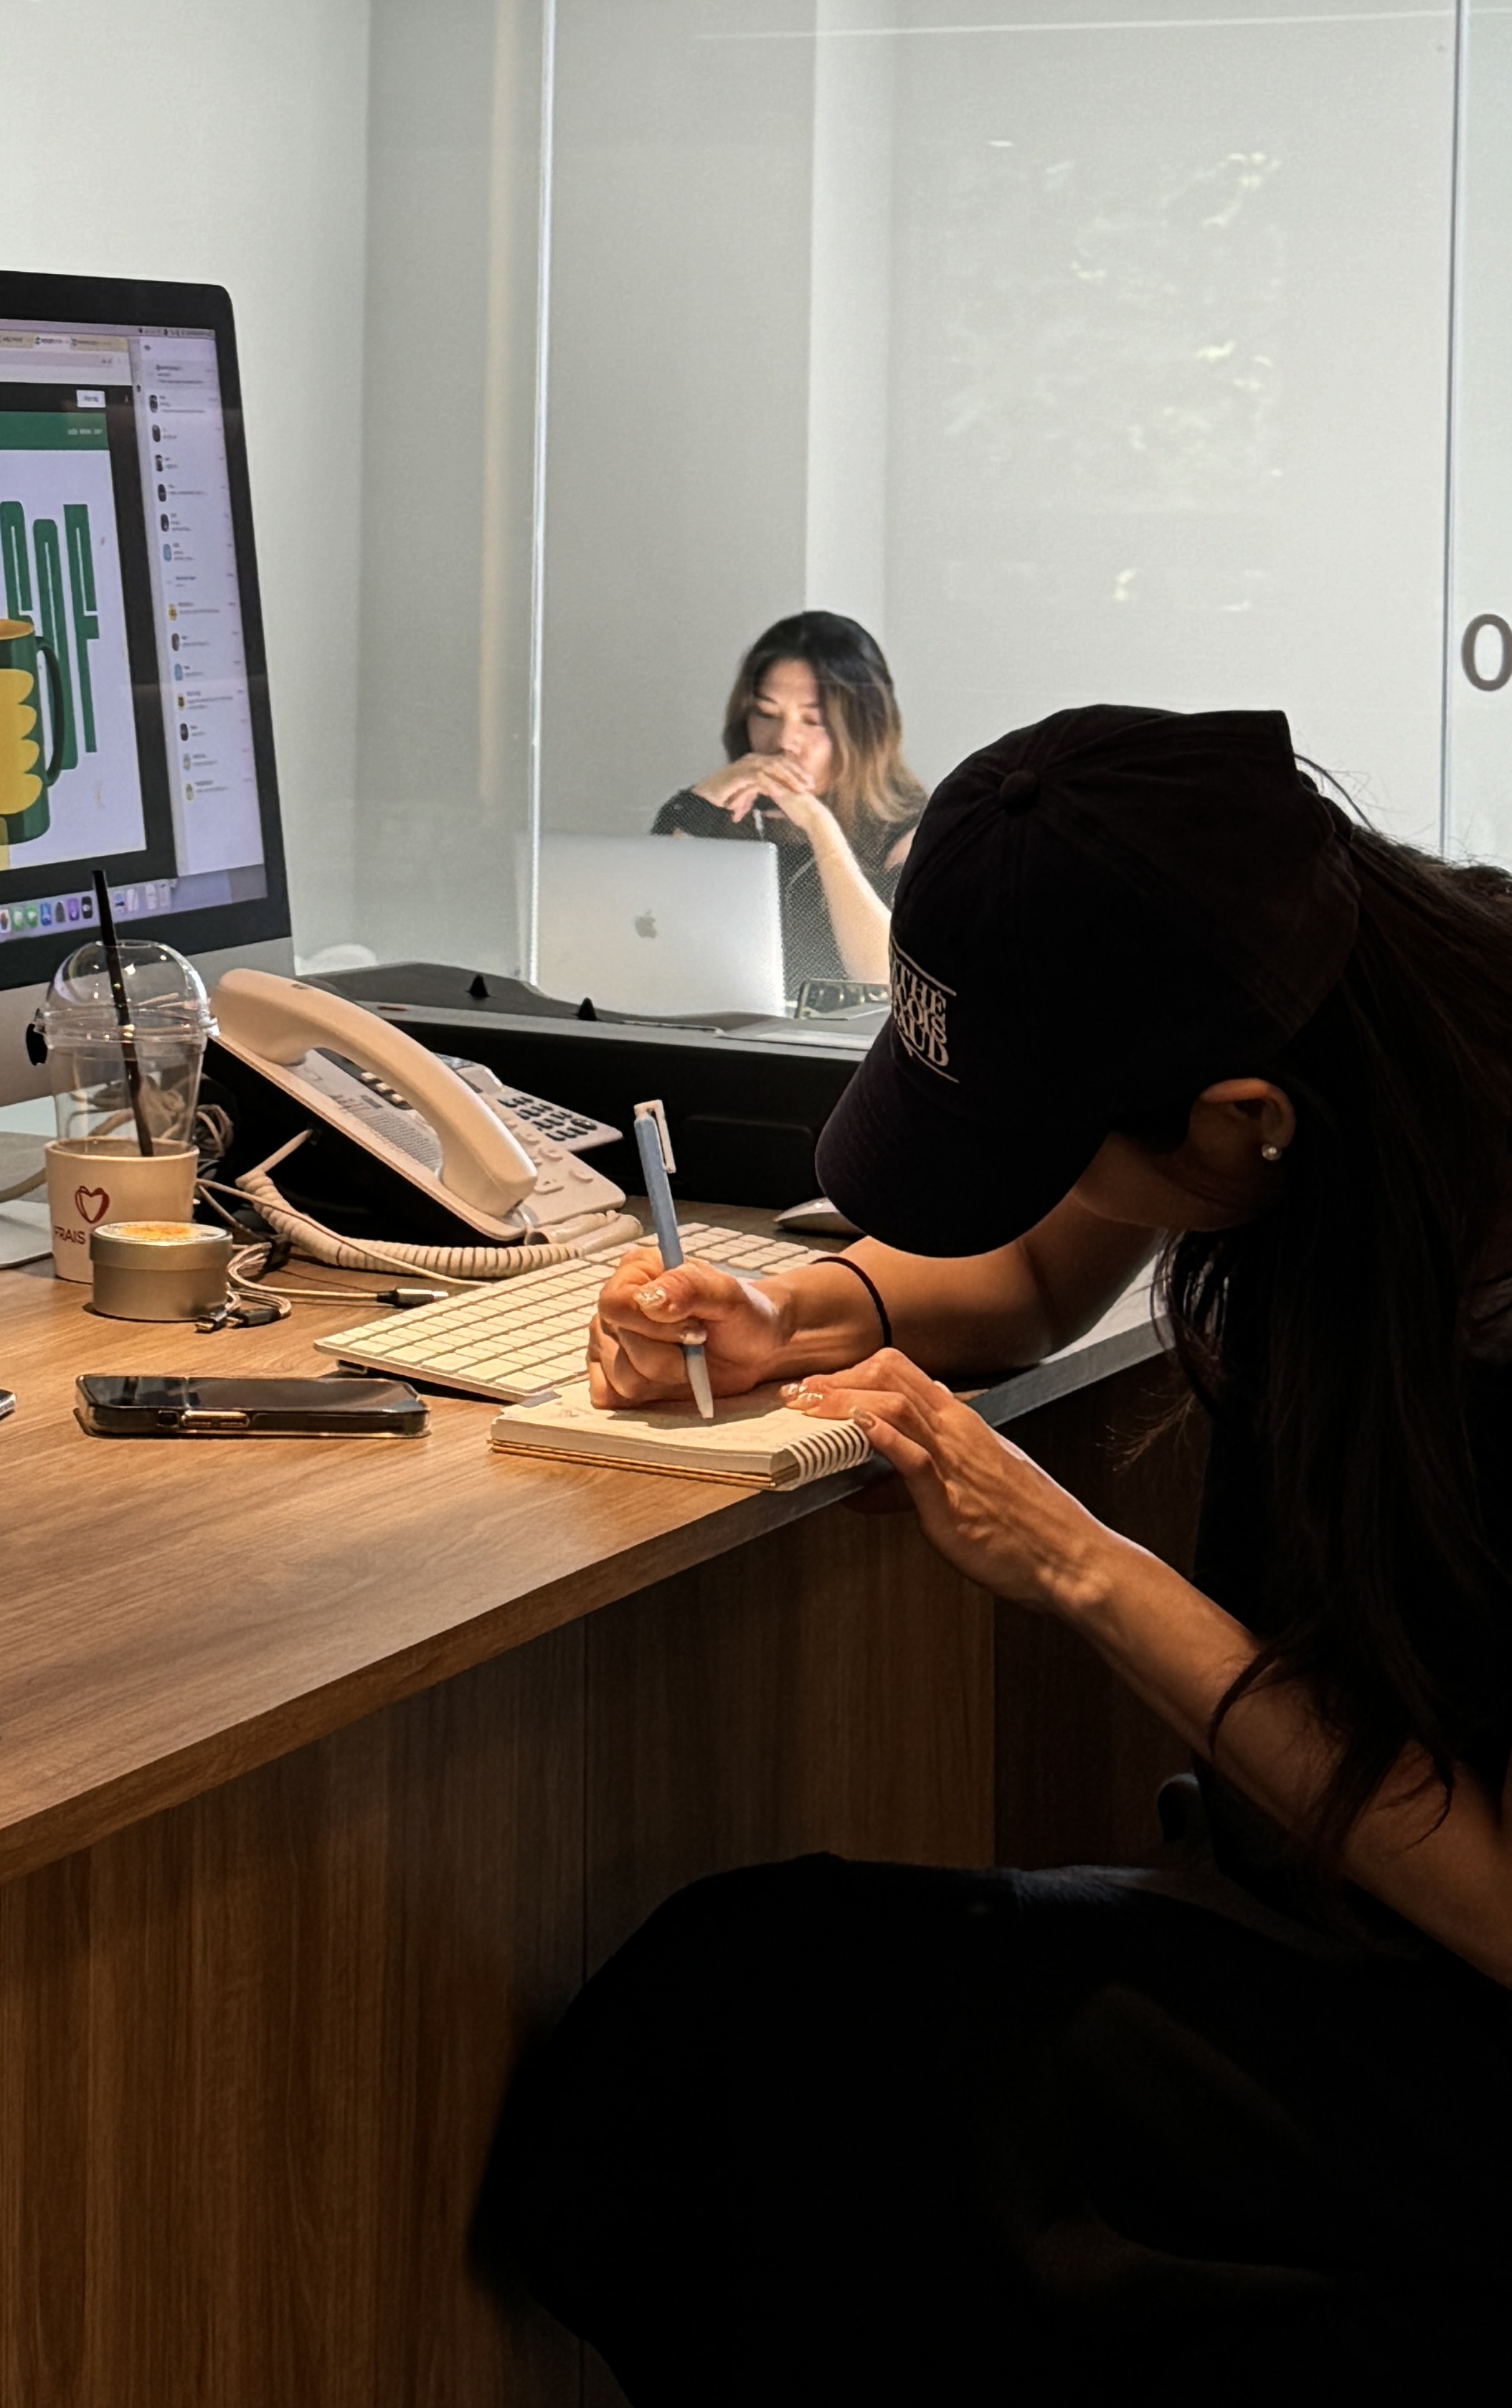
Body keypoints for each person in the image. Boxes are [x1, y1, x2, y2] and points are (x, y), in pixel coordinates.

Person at [477, 704, 1512, 2400]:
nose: (1036, 1184)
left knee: (733, 2081)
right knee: (708, 2053)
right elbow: (1033, 1275)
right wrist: (792, 1314)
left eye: (1044, 1139)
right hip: (1314, 1900)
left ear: (1244, 1120)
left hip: (1464, 2025)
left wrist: (1079, 1565)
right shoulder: (1305, 992)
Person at [651, 608, 924, 995]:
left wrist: (820, 827)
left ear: (865, 730)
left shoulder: (911, 831)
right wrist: (703, 801)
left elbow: (887, 979)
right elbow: (646, 936)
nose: (783, 741)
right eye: (766, 714)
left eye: (812, 722)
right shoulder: (712, 812)